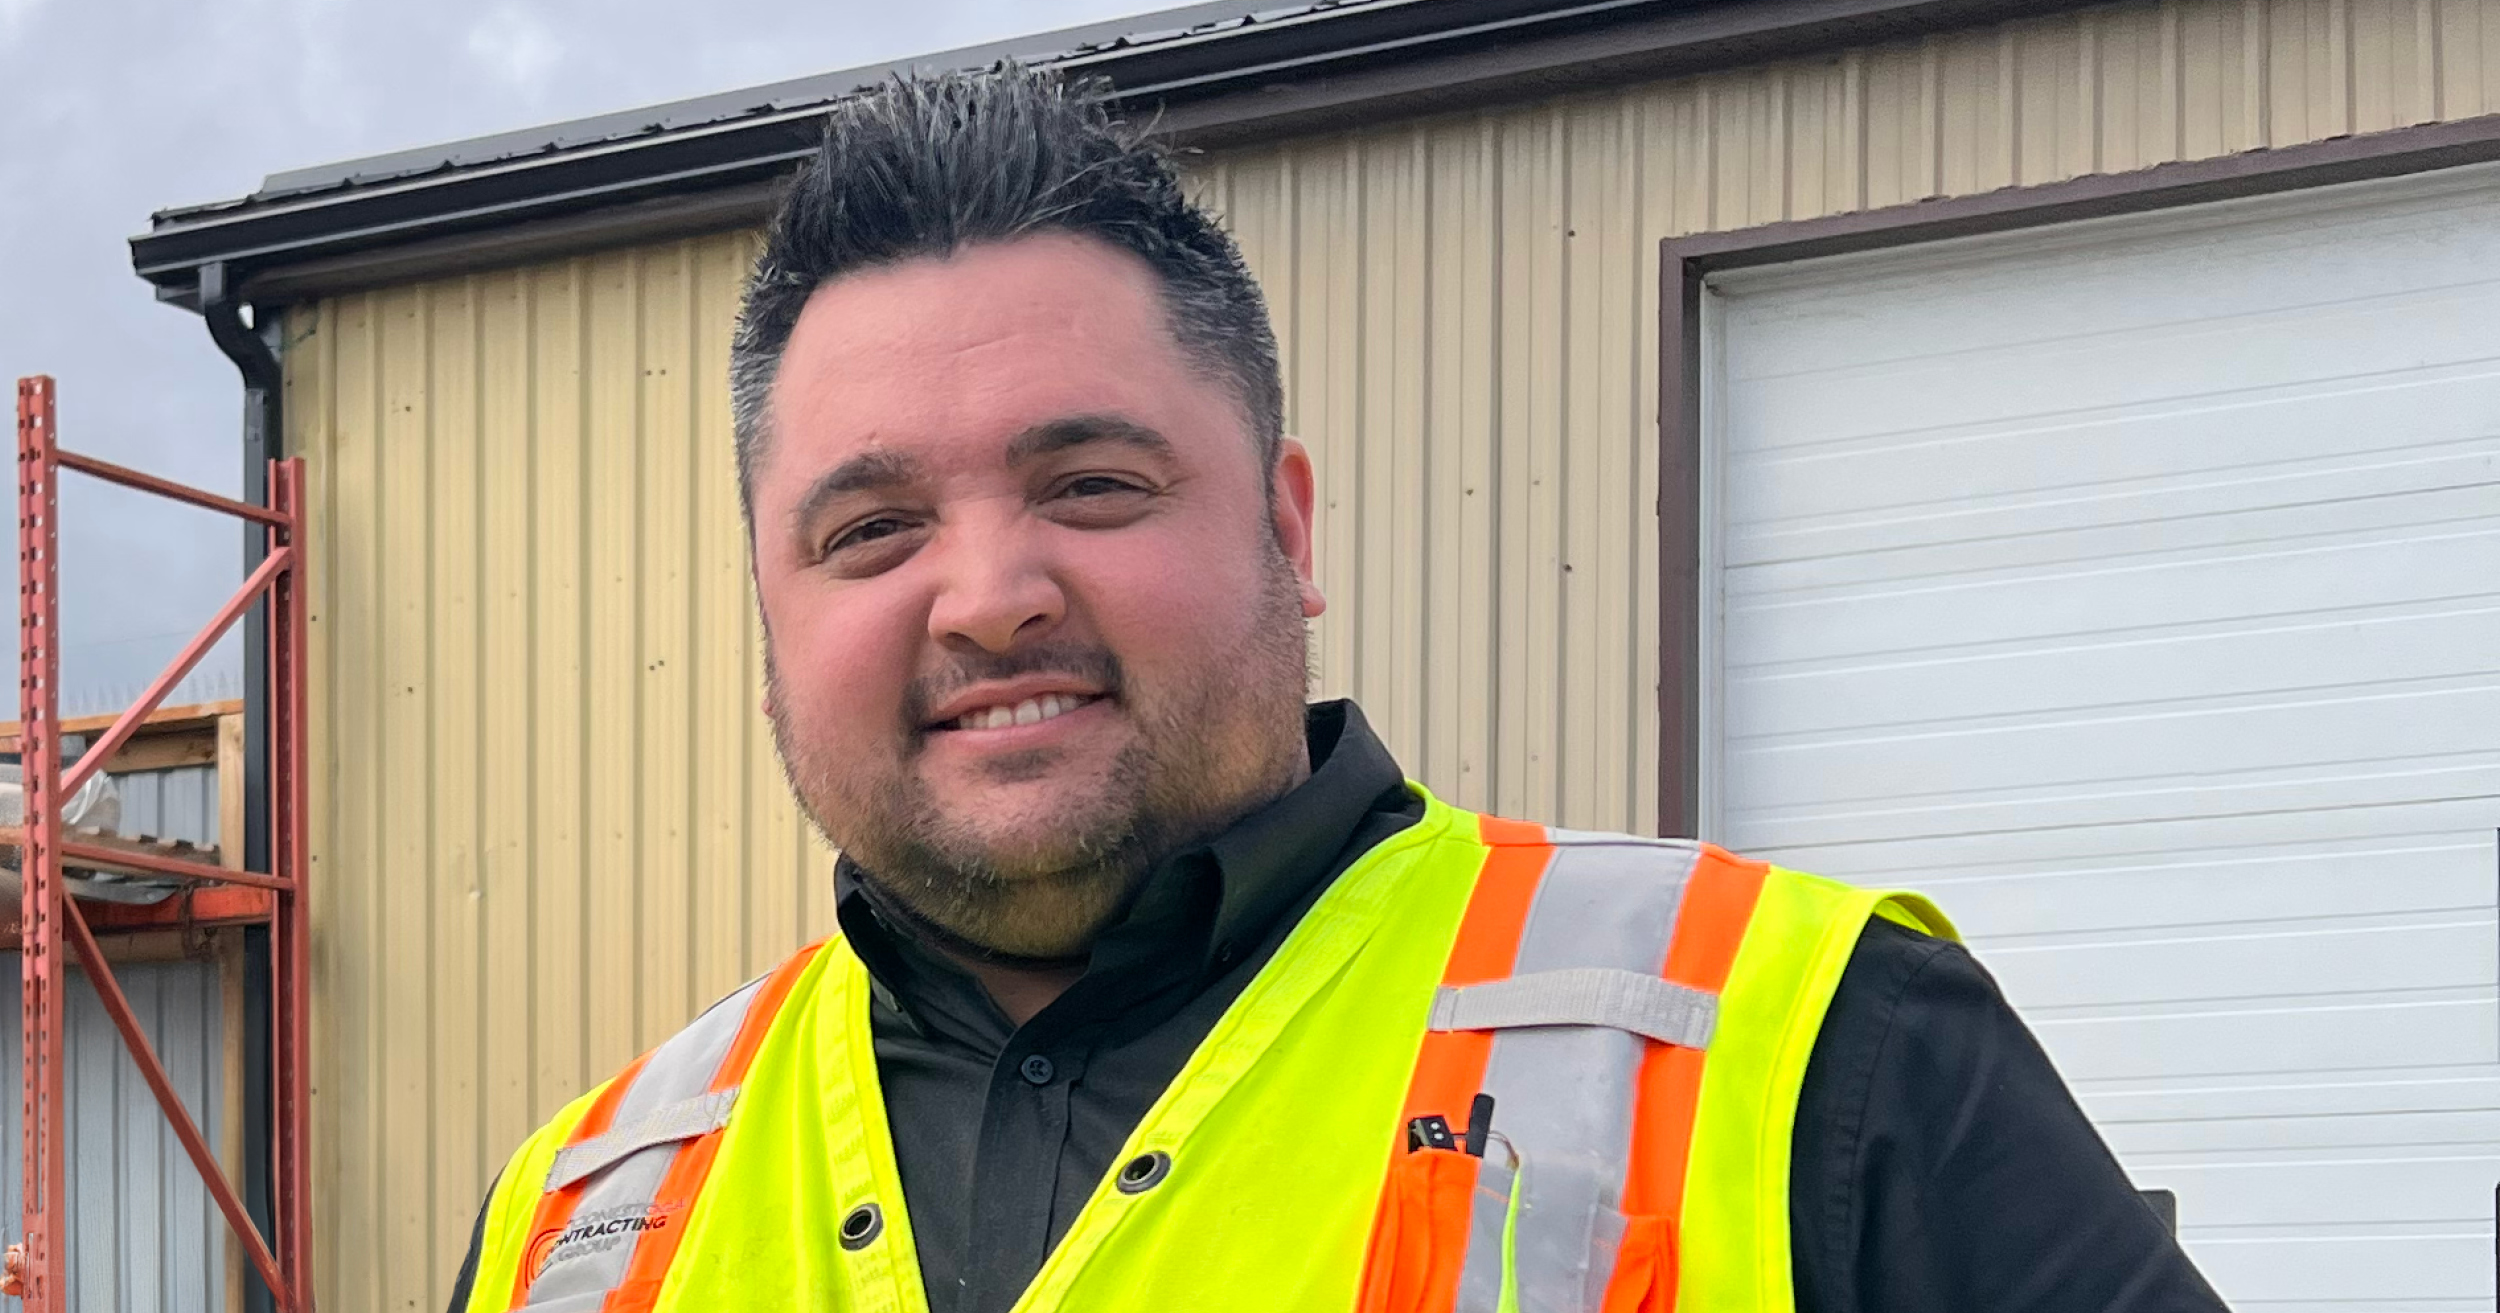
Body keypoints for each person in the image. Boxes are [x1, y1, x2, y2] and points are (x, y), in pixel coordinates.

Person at [445, 67, 2228, 1313]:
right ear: (768, 613)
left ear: (1287, 531)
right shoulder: (580, 1223)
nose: (987, 595)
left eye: (1093, 485)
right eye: (872, 527)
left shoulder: (1805, 1048)